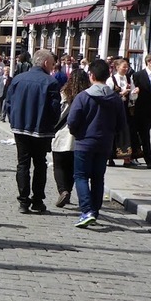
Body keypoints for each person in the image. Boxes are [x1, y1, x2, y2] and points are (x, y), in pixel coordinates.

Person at [67, 60, 129, 228]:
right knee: (97, 178)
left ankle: (86, 210)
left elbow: (72, 120)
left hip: (84, 142)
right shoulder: (115, 99)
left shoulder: (83, 96)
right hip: (104, 143)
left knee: (81, 176)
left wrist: (77, 133)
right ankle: (94, 211)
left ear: (92, 75)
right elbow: (122, 124)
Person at [5, 49, 61, 213]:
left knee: (23, 163)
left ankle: (23, 200)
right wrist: (52, 124)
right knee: (40, 164)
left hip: (20, 127)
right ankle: (37, 200)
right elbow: (55, 108)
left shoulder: (18, 79)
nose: (53, 67)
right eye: (52, 64)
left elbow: (8, 103)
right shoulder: (50, 82)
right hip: (41, 130)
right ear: (45, 63)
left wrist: (13, 120)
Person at [51, 69, 91, 209]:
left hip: (62, 134)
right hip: (79, 136)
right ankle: (68, 189)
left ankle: (63, 190)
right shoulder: (87, 96)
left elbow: (58, 114)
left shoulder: (64, 94)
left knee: (59, 165)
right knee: (72, 167)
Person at [131, 53, 151, 168]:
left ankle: (149, 159)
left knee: (145, 134)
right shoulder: (138, 75)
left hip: (150, 110)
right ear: (148, 62)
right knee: (135, 134)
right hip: (138, 109)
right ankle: (134, 155)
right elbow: (133, 90)